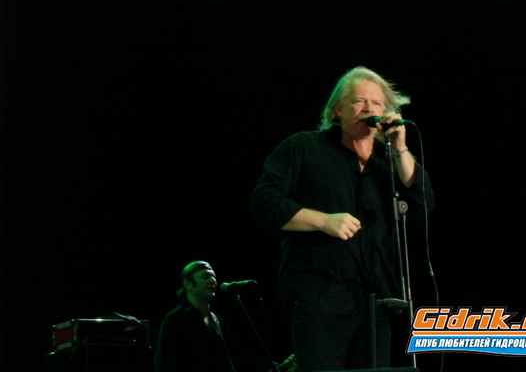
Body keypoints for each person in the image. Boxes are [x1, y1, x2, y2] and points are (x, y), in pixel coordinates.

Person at [250, 66, 435, 371]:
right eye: (359, 101)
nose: (369, 109)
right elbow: (264, 203)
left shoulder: (388, 163)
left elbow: (422, 206)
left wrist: (400, 149)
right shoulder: (304, 147)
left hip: (376, 304)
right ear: (338, 109)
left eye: (377, 103)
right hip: (319, 299)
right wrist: (323, 221)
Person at [154, 261, 253, 372]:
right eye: (205, 277)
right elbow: (164, 363)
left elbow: (236, 360)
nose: (213, 281)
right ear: (188, 284)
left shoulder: (219, 321)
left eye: (214, 277)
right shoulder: (174, 321)